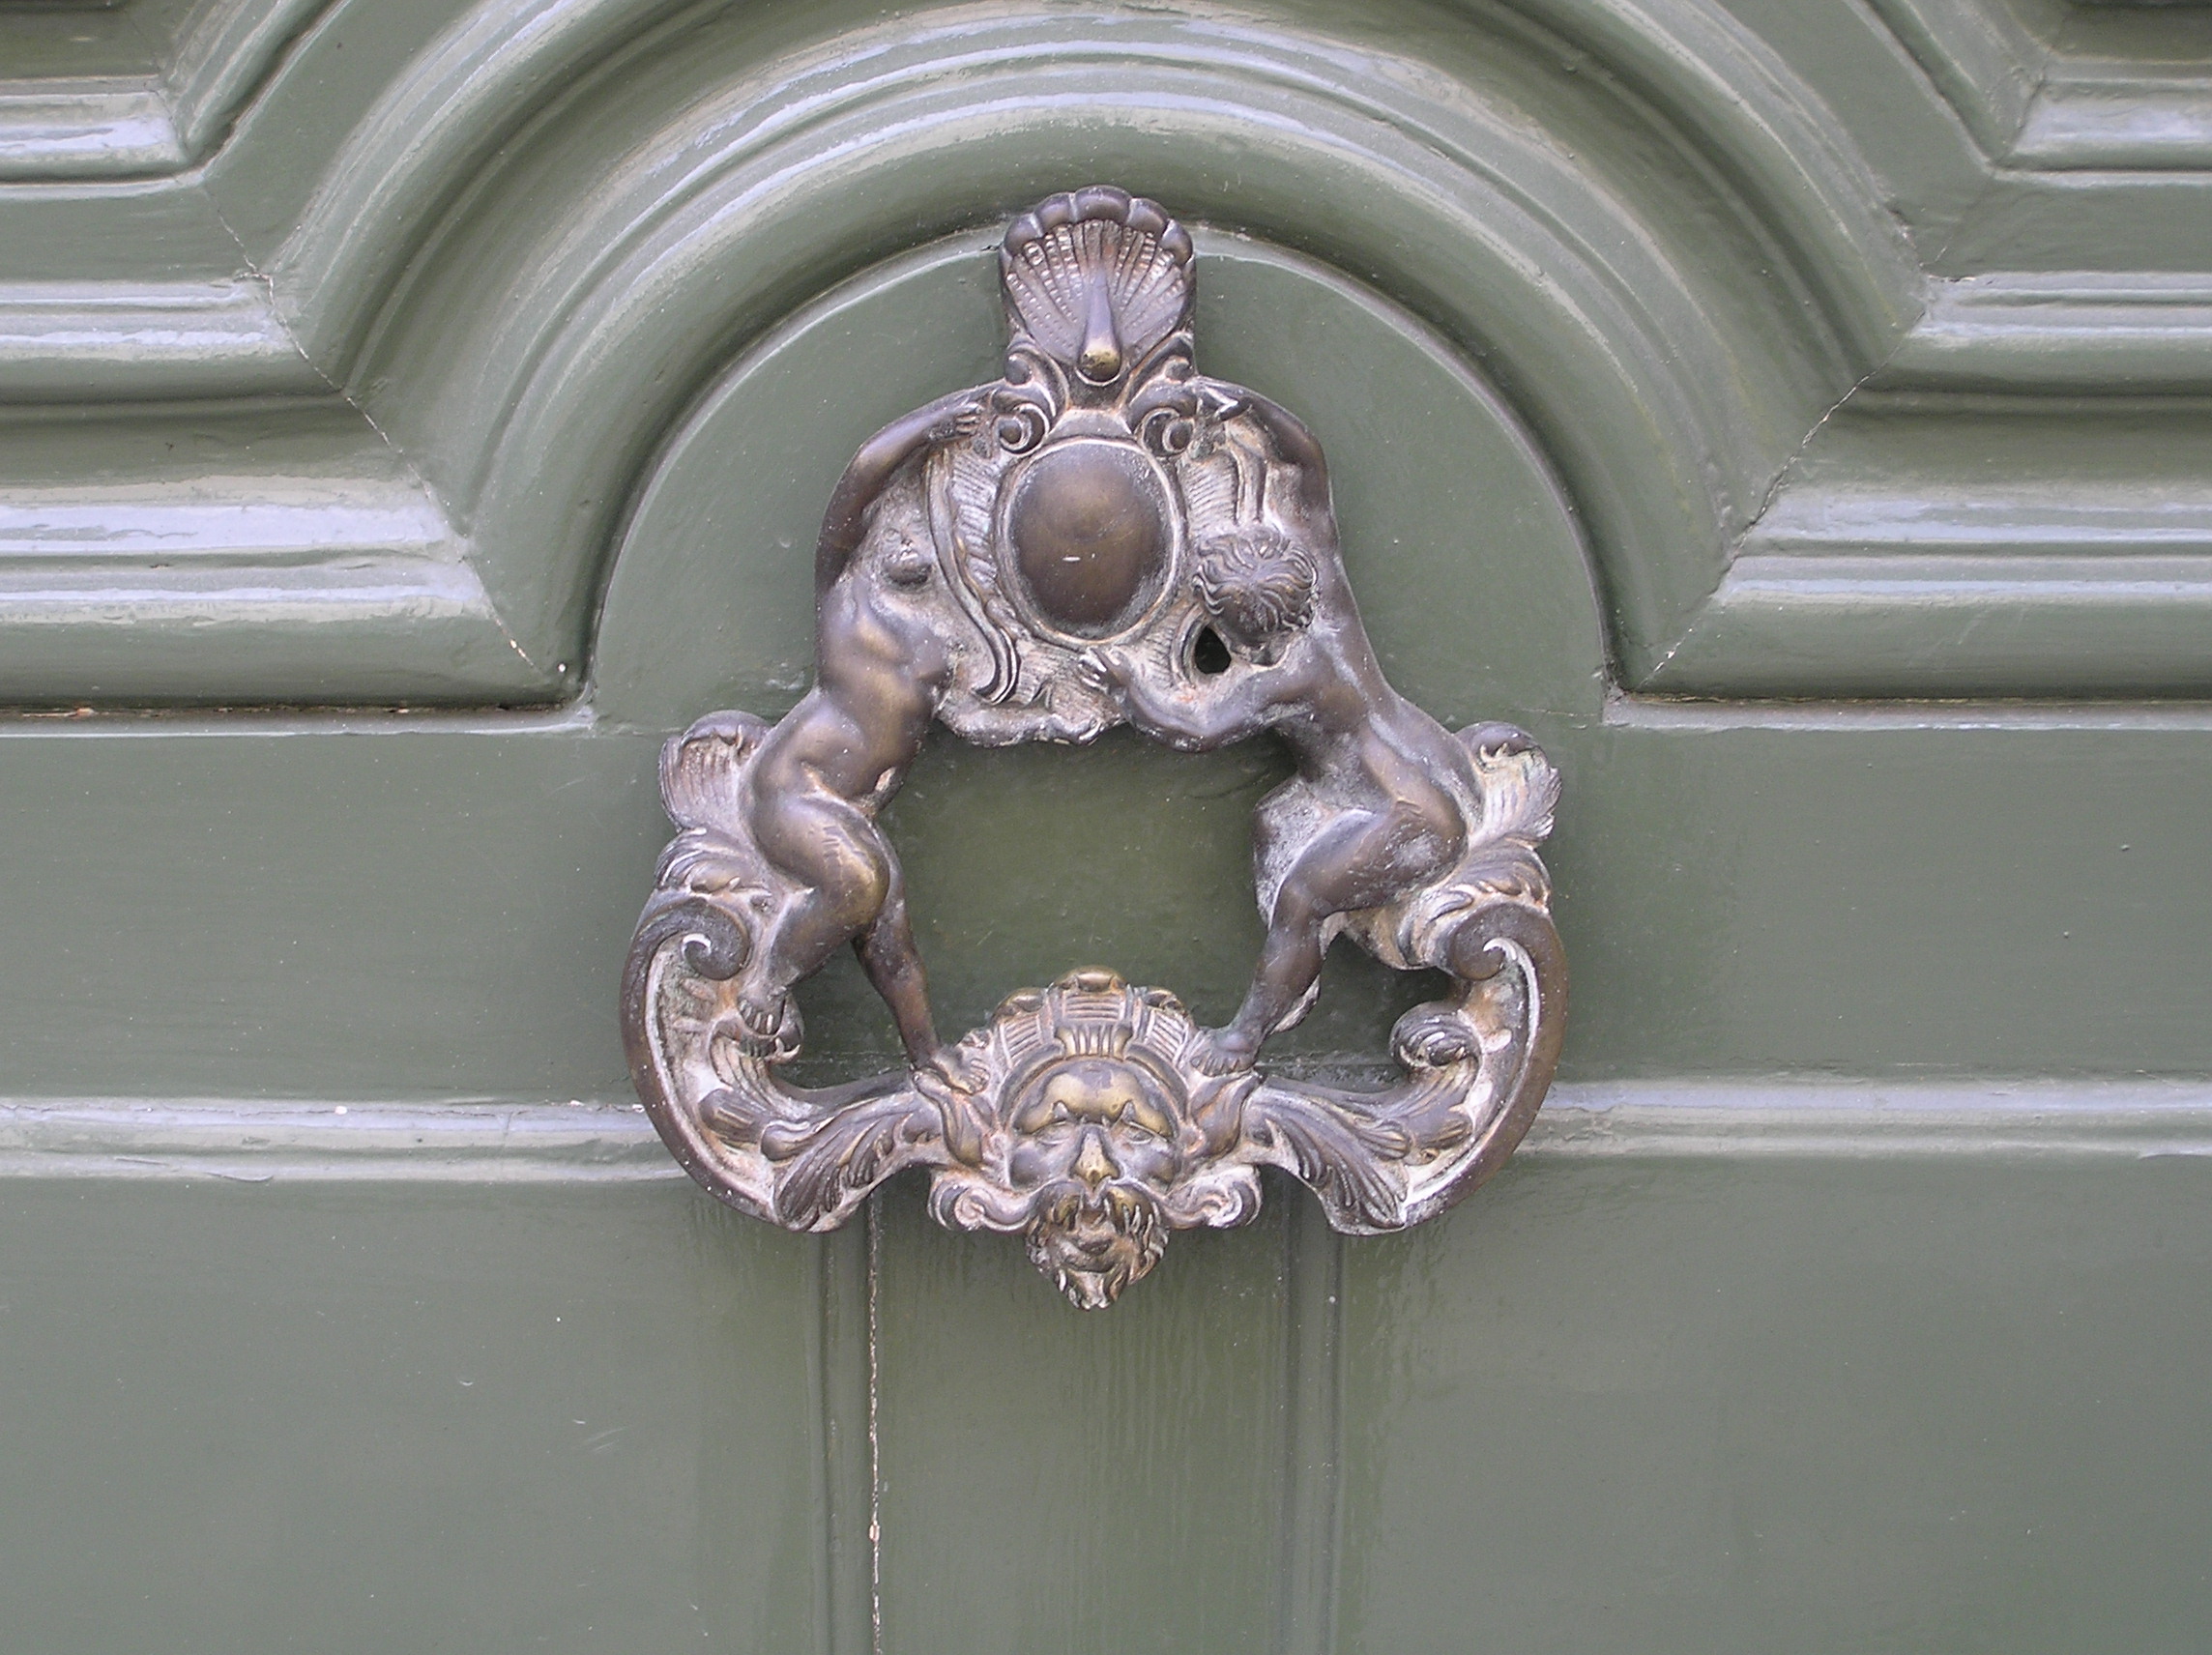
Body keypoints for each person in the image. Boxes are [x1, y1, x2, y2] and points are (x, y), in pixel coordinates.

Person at [1102, 508, 1487, 1074]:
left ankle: (1247, 1035)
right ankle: (1294, 970)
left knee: (1302, 902)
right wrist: (1278, 432)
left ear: (1240, 635)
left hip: (1409, 819)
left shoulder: (1285, 677)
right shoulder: (1331, 613)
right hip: (1420, 778)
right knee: (1273, 823)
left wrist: (1128, 687)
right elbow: (1313, 502)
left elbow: (1198, 729)